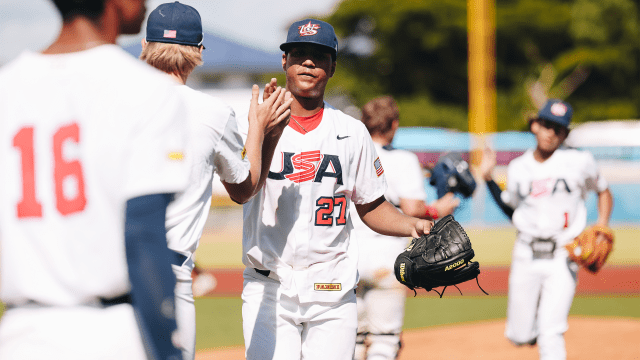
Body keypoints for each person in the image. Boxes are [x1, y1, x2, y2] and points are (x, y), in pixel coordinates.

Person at [0, 0, 191, 359]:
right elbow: (143, 236)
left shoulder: (6, 87)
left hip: (19, 333)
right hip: (107, 333)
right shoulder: (145, 89)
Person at [235, 19, 434, 360]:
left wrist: (414, 225)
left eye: (319, 54)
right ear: (285, 61)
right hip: (269, 286)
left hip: (332, 288)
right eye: (299, 53)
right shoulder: (253, 121)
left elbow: (371, 206)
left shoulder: (352, 132)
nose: (308, 62)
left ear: (332, 65)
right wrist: (262, 132)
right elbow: (242, 191)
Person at [138, 2, 293, 360]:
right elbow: (244, 189)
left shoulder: (113, 103)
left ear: (146, 47)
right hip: (169, 278)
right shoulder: (212, 113)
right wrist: (262, 130)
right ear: (199, 52)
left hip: (107, 274)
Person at [479, 99, 613, 360]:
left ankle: (546, 325)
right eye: (547, 124)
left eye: (559, 128)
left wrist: (602, 225)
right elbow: (512, 211)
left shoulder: (579, 161)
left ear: (565, 134)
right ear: (535, 126)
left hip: (563, 255)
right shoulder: (519, 168)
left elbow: (603, 191)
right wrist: (487, 178)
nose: (551, 132)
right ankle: (532, 326)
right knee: (519, 335)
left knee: (550, 333)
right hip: (525, 253)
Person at [350, 96, 460, 360]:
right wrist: (438, 210)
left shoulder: (348, 154)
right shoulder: (403, 159)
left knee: (352, 340)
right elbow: (412, 209)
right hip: (386, 255)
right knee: (385, 340)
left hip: (348, 253)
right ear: (394, 125)